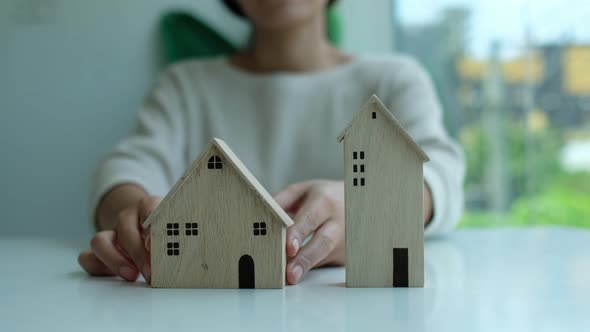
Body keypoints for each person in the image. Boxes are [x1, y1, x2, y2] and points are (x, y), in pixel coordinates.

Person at [78, 0, 465, 286]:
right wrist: (132, 215)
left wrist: (374, 209)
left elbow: (441, 175)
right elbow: (128, 166)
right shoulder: (185, 86)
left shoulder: (395, 79)